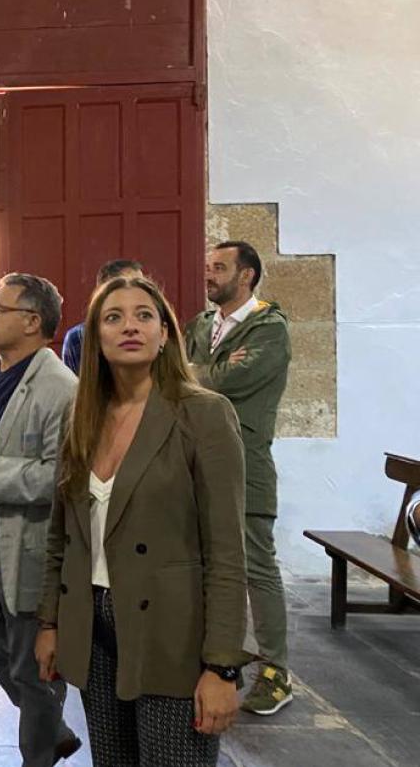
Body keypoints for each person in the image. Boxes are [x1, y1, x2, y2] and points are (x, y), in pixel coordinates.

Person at [35, 275, 249, 766]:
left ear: (165, 334)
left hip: (172, 630)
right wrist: (50, 622)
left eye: (144, 315)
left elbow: (226, 551)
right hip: (94, 627)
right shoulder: (82, 415)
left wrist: (223, 667)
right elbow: (61, 536)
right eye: (113, 317)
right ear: (95, 337)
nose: (129, 326)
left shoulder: (203, 414)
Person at [0, 273, 82, 766]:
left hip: (24, 541)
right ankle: (54, 727)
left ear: (32, 322)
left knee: (34, 666)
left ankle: (39, 754)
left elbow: (60, 477)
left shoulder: (59, 388)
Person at [185, 241, 293, 716]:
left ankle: (275, 671)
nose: (209, 275)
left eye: (220, 268)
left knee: (256, 567)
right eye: (207, 266)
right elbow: (183, 376)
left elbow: (223, 381)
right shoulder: (202, 325)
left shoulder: (269, 328)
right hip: (194, 462)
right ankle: (214, 658)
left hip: (246, 465)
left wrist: (190, 374)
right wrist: (194, 373)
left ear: (246, 275)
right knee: (199, 563)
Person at [61, 259, 144, 374]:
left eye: (142, 285)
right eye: (130, 286)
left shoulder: (154, 331)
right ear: (103, 292)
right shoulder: (79, 338)